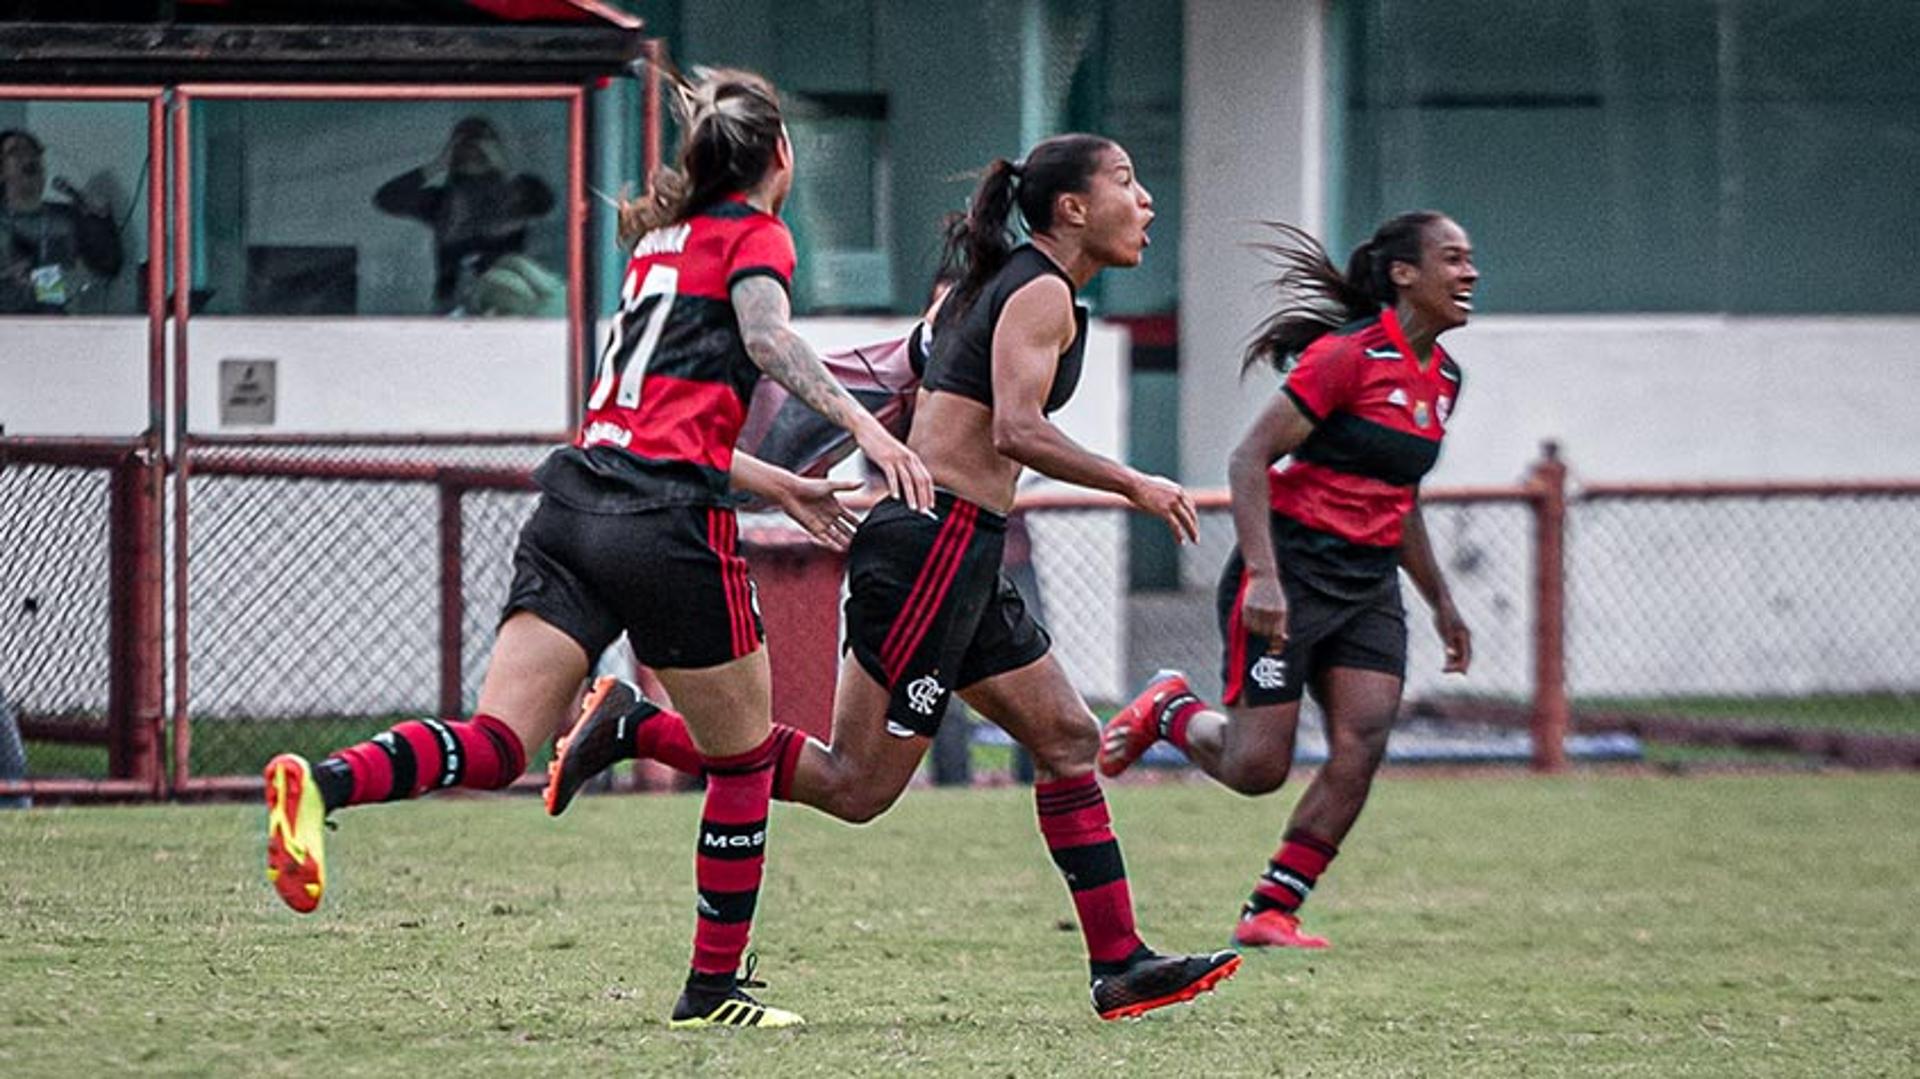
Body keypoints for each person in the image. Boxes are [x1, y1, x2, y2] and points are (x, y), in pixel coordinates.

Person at [262, 67, 934, 1031]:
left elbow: (660, 414)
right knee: (740, 763)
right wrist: (869, 430)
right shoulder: (757, 233)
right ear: (780, 156)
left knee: (497, 743)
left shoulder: (658, 244)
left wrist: (778, 482)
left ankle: (321, 786)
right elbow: (767, 340)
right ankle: (712, 990)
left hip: (575, 503)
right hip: (667, 527)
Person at [545, 134, 1241, 1021]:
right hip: (933, 550)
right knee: (856, 787)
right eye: (1128, 183)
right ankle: (640, 730)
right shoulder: (1038, 288)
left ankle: (1120, 964)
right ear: (1072, 209)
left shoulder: (1025, 284)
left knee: (1067, 737)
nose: (1146, 203)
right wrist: (1134, 480)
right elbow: (1017, 431)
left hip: (963, 552)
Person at [1096, 212, 1478, 951]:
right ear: (1404, 273)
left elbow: (1399, 499)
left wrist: (1442, 602)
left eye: (1471, 262)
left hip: (1367, 586)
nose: (1470, 274)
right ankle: (1171, 709)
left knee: (1361, 742)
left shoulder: (1445, 380)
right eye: (1453, 259)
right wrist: (1265, 576)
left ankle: (1272, 907)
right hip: (1292, 572)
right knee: (1255, 767)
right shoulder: (1346, 357)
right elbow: (1249, 458)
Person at [373, 116, 556, 314]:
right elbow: (388, 199)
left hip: (508, 306)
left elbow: (535, 207)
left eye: (481, 147)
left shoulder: (520, 194)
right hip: (455, 308)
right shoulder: (445, 202)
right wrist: (438, 164)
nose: (473, 154)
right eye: (465, 148)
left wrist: (501, 168)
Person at [0, 128, 122, 315]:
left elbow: (108, 265)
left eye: (34, 150)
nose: (28, 156)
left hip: (56, 329)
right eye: (16, 151)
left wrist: (99, 222)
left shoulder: (67, 217)